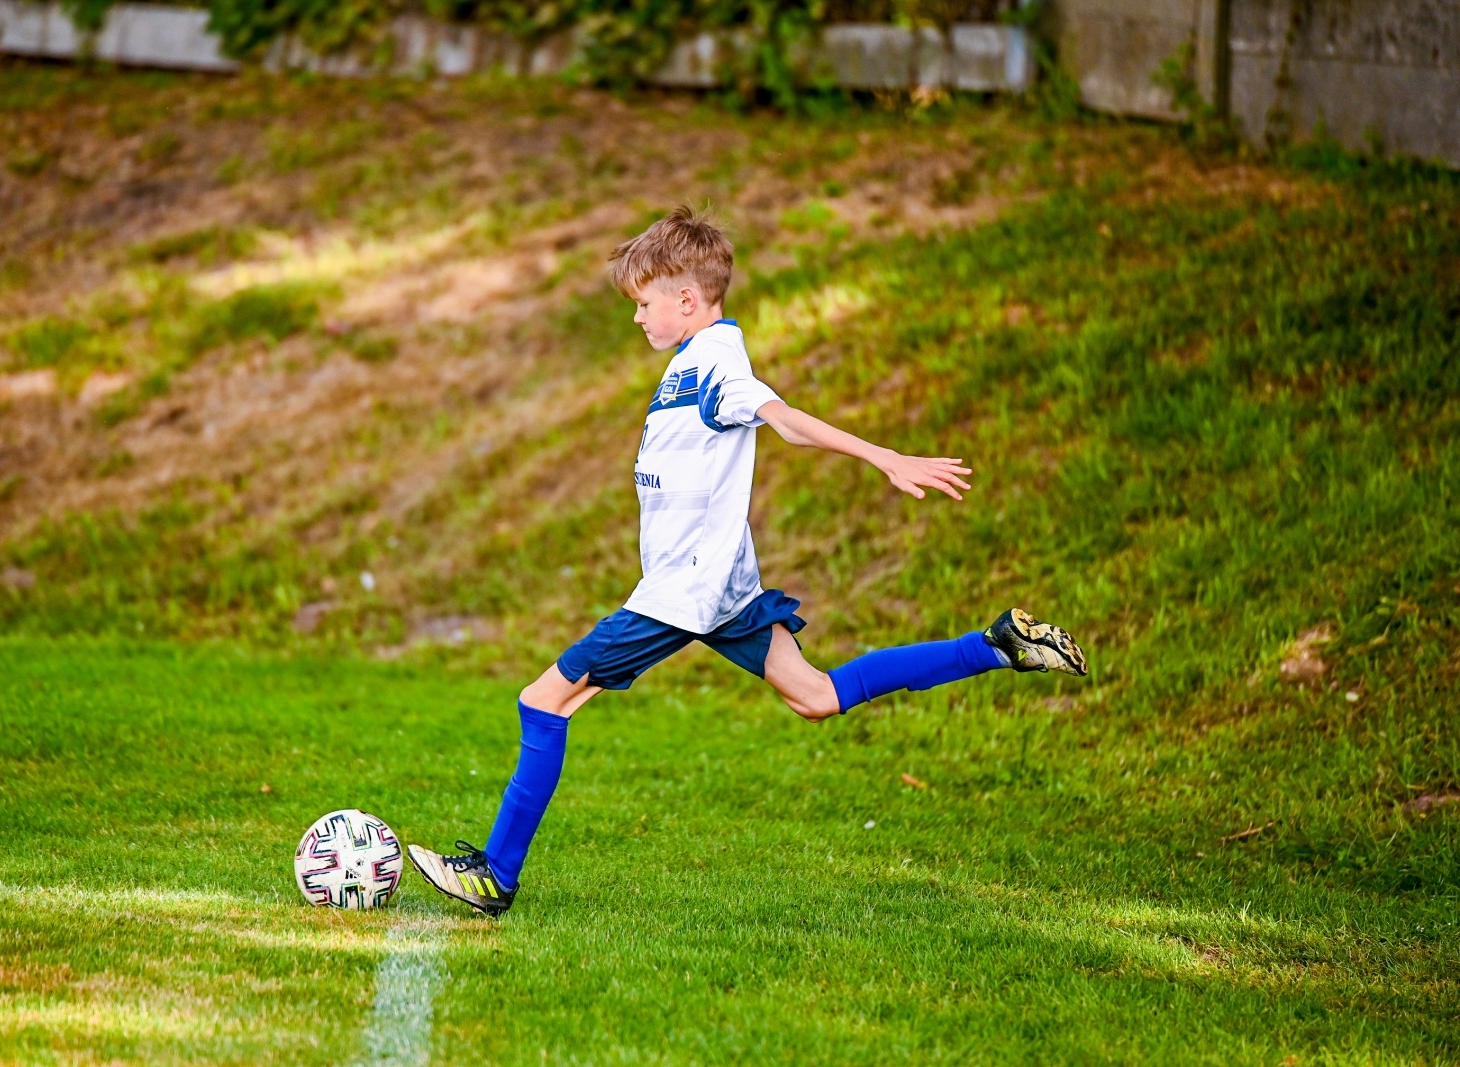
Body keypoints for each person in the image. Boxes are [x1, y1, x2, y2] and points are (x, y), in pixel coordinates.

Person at [408, 206, 1086, 916]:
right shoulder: (685, 366)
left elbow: (785, 419)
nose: (637, 317)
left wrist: (883, 456)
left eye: (644, 304)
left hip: (684, 593)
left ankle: (496, 874)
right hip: (722, 585)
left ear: (687, 300)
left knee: (543, 699)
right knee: (817, 696)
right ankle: (999, 645)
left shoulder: (719, 368)